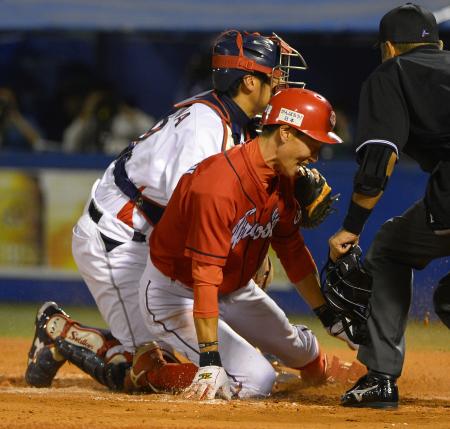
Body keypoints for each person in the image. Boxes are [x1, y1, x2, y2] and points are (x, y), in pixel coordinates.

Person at [25, 30, 310, 393]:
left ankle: (236, 362)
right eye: (274, 76)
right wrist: (246, 254)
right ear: (249, 82)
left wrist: (256, 250)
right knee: (147, 371)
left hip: (149, 236)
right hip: (119, 240)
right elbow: (193, 216)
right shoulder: (205, 130)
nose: (282, 83)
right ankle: (61, 331)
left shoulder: (237, 124)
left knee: (184, 343)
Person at [139, 87, 345, 401]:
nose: (315, 157)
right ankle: (151, 370)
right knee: (255, 381)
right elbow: (204, 275)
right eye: (313, 143)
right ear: (286, 133)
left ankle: (294, 362)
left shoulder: (284, 178)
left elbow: (291, 250)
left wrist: (328, 314)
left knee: (304, 352)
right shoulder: (218, 187)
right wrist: (210, 358)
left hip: (233, 288)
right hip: (176, 293)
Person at [328, 3, 450, 409]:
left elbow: (380, 158)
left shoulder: (393, 72)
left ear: (389, 50)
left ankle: (380, 378)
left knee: (390, 249)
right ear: (439, 44)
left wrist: (351, 227)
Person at [62, 89, 155, 155]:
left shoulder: (123, 121)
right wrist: (86, 112)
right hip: (90, 167)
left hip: (119, 166)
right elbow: (69, 143)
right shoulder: (88, 122)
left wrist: (132, 115)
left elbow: (153, 133)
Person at [0, 87, 42, 152]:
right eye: (1, 102)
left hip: (21, 159)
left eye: (8, 102)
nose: (5, 106)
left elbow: (37, 141)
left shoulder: (27, 119)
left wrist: (16, 117)